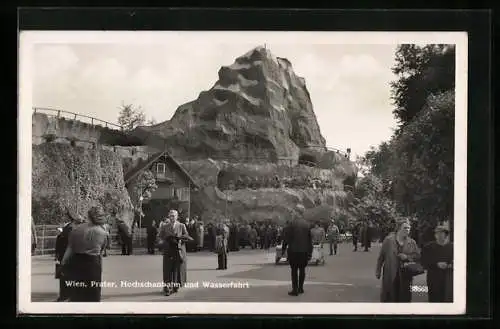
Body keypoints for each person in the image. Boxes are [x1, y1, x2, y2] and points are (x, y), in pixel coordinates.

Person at [61, 205, 109, 302]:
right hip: (93, 263)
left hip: (77, 261)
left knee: (78, 293)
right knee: (93, 293)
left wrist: (63, 262)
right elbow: (102, 250)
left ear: (88, 216)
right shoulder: (103, 232)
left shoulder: (77, 229)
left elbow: (70, 247)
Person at [375, 219, 421, 302]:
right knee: (389, 296)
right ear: (399, 228)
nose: (407, 230)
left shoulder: (412, 242)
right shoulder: (388, 240)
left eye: (409, 228)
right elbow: (381, 256)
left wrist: (407, 257)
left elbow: (417, 256)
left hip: (406, 274)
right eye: (405, 228)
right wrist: (378, 270)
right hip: (390, 272)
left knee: (404, 296)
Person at [281, 204, 313, 296]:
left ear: (297, 212)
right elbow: (309, 240)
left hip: (294, 251)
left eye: (294, 211)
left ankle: (295, 290)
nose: (293, 213)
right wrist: (310, 252)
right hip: (304, 251)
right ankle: (301, 288)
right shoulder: (307, 224)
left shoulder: (292, 224)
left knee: (294, 270)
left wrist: (283, 249)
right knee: (302, 269)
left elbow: (287, 238)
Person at [159, 210, 192, 296]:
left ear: (177, 217)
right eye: (170, 216)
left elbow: (187, 236)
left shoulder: (181, 225)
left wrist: (179, 239)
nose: (172, 217)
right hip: (168, 250)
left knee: (177, 269)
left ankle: (175, 285)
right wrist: (165, 240)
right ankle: (168, 288)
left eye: (173, 216)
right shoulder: (164, 226)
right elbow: (160, 236)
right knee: (168, 269)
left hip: (178, 250)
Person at [54, 209, 84, 301]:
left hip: (67, 254)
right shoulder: (72, 228)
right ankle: (68, 295)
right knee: (69, 276)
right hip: (70, 255)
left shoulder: (69, 228)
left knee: (66, 276)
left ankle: (65, 295)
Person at [422, 221, 453, 302]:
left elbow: (455, 261)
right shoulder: (428, 247)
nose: (439, 235)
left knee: (446, 300)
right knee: (434, 299)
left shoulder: (451, 247)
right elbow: (423, 262)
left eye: (441, 233)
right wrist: (436, 264)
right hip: (433, 277)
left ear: (446, 235)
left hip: (447, 278)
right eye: (437, 233)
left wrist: (450, 265)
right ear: (435, 235)